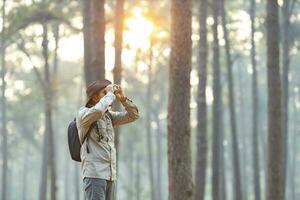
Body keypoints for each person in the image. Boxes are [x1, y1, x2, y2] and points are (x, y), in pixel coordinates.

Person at [76, 79, 139, 200]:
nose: (109, 95)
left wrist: (123, 99)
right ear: (94, 97)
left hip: (110, 175)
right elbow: (98, 110)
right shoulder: (83, 114)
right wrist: (110, 94)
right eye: (104, 93)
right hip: (94, 175)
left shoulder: (108, 116)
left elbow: (133, 115)